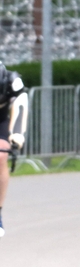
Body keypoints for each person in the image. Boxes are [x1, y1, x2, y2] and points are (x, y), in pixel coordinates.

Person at [0, 61, 29, 237]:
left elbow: (20, 106)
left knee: (1, 154)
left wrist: (17, 133)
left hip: (0, 121)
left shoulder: (13, 81)